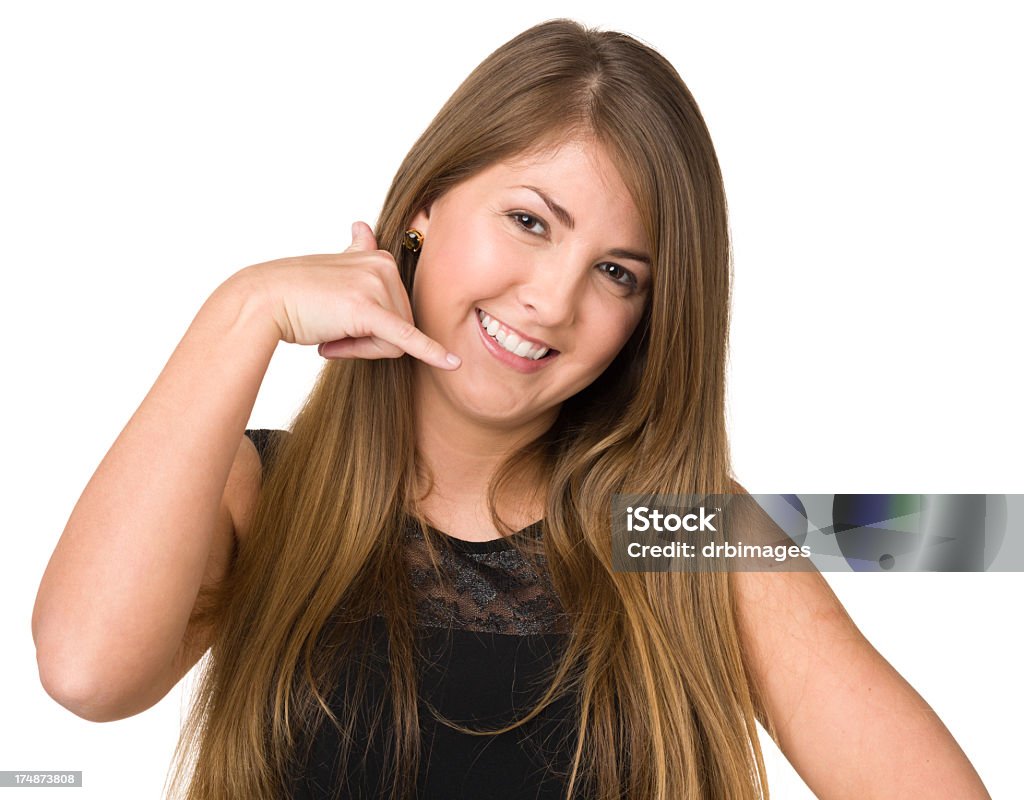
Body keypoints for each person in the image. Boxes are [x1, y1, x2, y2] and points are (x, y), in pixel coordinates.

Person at [31, 18, 990, 800]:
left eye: (616, 273)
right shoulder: (255, 488)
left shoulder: (688, 532)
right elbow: (85, 673)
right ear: (426, 205)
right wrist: (241, 309)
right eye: (529, 221)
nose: (553, 301)